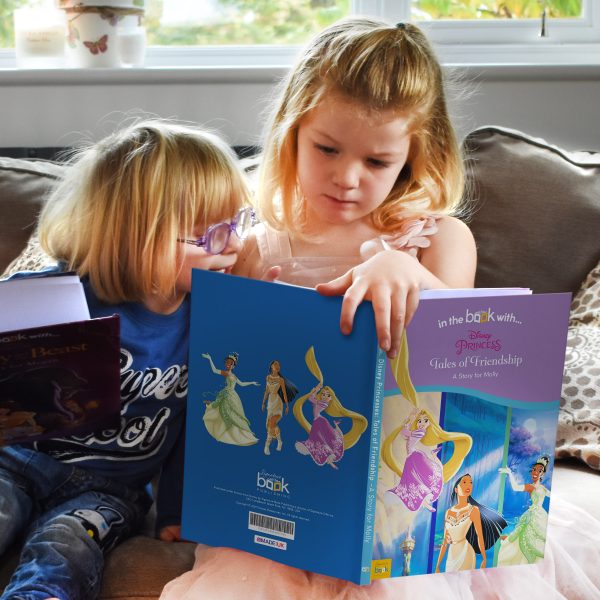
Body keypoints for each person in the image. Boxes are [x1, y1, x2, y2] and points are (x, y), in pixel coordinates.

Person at [0, 118, 252, 600]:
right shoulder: (61, 296)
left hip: (107, 491)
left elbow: (195, 426)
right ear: (135, 237)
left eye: (237, 224)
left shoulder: (211, 324)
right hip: (18, 462)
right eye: (212, 234)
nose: (235, 245)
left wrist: (177, 512)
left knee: (67, 546)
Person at [234, 16, 477, 361]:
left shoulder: (440, 240)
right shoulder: (255, 247)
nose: (347, 179)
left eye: (376, 162)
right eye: (327, 149)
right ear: (292, 135)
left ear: (413, 158)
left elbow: (463, 350)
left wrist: (412, 273)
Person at [435, 473, 506, 573]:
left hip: (466, 552)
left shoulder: (473, 510)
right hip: (452, 554)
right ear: (456, 489)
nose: (468, 485)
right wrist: (437, 566)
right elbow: (444, 542)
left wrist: (484, 559)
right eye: (464, 482)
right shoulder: (448, 512)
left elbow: (479, 536)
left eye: (470, 483)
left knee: (465, 580)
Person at [497, 455, 551, 566]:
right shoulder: (530, 487)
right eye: (534, 470)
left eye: (539, 471)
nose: (535, 472)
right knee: (524, 535)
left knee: (540, 538)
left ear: (542, 474)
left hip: (541, 515)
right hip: (532, 515)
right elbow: (515, 487)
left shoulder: (543, 489)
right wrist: (509, 473)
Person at [201, 352, 260, 446]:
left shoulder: (234, 376)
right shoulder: (226, 373)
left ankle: (241, 435)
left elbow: (241, 384)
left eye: (231, 363)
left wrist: (251, 382)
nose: (228, 364)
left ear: (233, 366)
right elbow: (215, 370)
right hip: (226, 394)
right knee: (226, 412)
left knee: (235, 414)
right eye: (227, 362)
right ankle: (225, 430)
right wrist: (209, 359)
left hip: (233, 396)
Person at [262, 359, 298, 455]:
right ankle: (279, 441)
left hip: (278, 402)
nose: (278, 366)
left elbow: (284, 393)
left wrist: (287, 406)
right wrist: (263, 403)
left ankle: (266, 446)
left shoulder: (280, 379)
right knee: (270, 424)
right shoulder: (267, 377)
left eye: (279, 365)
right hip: (270, 402)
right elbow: (266, 391)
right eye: (276, 364)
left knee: (272, 422)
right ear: (271, 366)